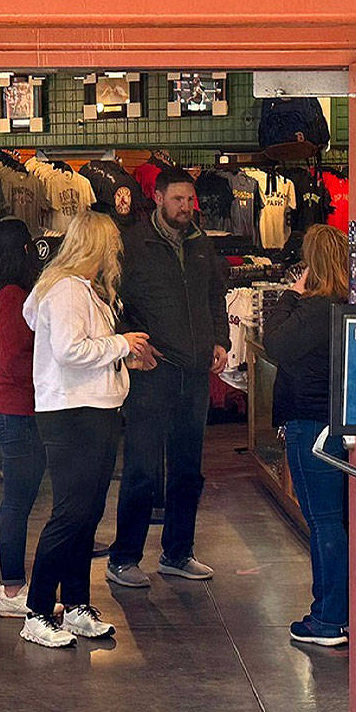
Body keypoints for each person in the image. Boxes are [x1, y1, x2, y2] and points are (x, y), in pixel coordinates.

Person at [21, 211, 150, 648]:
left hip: (93, 408)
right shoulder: (66, 290)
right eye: (112, 241)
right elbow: (70, 350)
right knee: (72, 513)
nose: (117, 249)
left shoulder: (83, 291)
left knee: (88, 513)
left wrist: (121, 353)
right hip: (72, 412)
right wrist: (121, 344)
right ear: (96, 245)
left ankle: (75, 604)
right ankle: (38, 610)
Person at [107, 167, 230, 588]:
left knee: (187, 469)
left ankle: (178, 552)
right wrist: (128, 340)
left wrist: (221, 338)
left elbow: (216, 294)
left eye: (189, 200)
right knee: (141, 468)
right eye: (177, 199)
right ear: (158, 198)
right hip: (153, 373)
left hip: (195, 373)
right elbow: (111, 297)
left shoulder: (201, 245)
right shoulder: (133, 244)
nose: (186, 207)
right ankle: (123, 558)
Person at [263, 224, 349, 647]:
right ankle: (341, 611)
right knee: (335, 519)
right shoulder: (343, 303)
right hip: (332, 420)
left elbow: (275, 344)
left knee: (323, 520)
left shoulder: (314, 307)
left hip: (311, 423)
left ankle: (329, 618)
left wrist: (291, 294)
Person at [0, 219, 46, 618]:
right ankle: (11, 588)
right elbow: (12, 357)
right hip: (15, 409)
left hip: (16, 408)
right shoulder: (10, 296)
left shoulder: (5, 293)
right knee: (17, 504)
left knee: (19, 502)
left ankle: (13, 586)